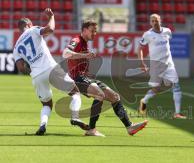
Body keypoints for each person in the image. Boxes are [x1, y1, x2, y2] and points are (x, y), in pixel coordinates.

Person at [62, 19, 148, 137]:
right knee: (100, 95)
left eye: (96, 31)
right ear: (85, 30)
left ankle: (129, 127)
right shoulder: (76, 40)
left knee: (114, 97)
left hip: (86, 78)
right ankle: (91, 129)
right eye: (92, 31)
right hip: (77, 79)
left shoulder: (85, 43)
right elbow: (65, 53)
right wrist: (85, 55)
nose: (94, 34)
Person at [13, 8, 89, 136]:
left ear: (19, 29)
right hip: (51, 68)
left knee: (47, 104)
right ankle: (75, 117)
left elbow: (21, 68)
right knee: (75, 93)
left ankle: (43, 125)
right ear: (28, 25)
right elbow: (50, 29)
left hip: (37, 75)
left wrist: (33, 70)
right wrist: (51, 17)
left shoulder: (16, 47)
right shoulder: (33, 30)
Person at [137, 14, 186, 119]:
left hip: (169, 64)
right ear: (150, 22)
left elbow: (166, 46)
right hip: (156, 66)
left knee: (176, 86)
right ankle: (144, 101)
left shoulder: (167, 31)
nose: (155, 23)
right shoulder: (148, 34)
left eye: (156, 20)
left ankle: (177, 113)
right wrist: (142, 63)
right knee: (156, 88)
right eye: (152, 21)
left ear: (160, 21)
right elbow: (140, 48)